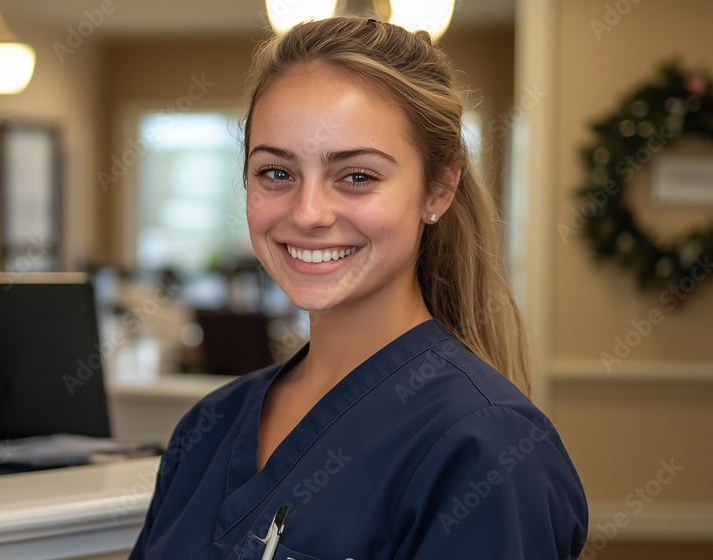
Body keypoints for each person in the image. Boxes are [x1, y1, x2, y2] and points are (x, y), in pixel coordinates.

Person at [129, 15, 587, 560]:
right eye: (276, 172)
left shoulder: (484, 447)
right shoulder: (206, 430)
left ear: (439, 189)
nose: (308, 213)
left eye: (357, 176)